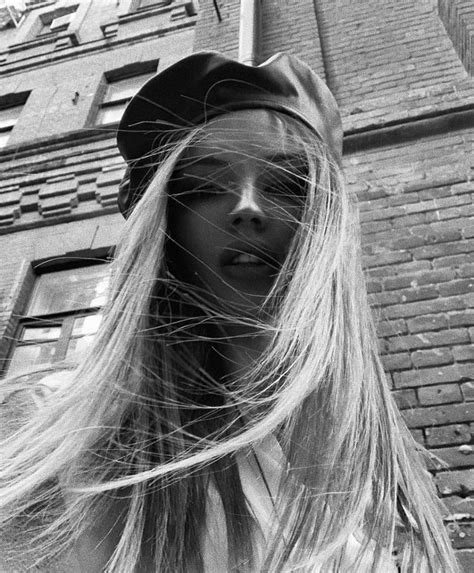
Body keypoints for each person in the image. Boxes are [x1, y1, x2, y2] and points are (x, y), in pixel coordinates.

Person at [0, 52, 459, 572]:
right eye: (205, 185)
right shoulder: (57, 432)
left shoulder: (381, 485)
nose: (247, 206)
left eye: (287, 184)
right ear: (166, 227)